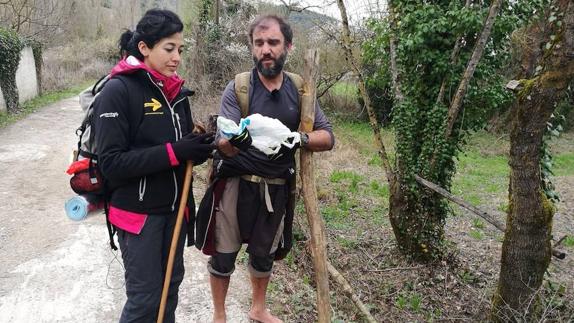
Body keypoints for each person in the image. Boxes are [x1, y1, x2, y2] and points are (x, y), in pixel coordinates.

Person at [195, 15, 335, 323]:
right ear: (252, 47)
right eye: (259, 43)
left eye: (273, 43)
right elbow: (223, 140)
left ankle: (258, 308)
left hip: (275, 187)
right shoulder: (240, 87)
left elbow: (327, 136)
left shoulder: (300, 90)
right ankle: (220, 315)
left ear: (288, 46)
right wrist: (232, 141)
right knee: (223, 255)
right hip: (234, 184)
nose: (265, 50)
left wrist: (299, 137)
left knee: (263, 254)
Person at [93, 9, 214, 323]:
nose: (176, 57)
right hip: (138, 216)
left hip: (174, 211)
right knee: (146, 300)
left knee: (169, 292)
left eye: (180, 50)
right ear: (144, 48)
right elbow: (112, 164)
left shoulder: (177, 94)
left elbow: (180, 151)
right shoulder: (118, 91)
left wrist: (196, 151)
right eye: (169, 48)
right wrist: (175, 151)